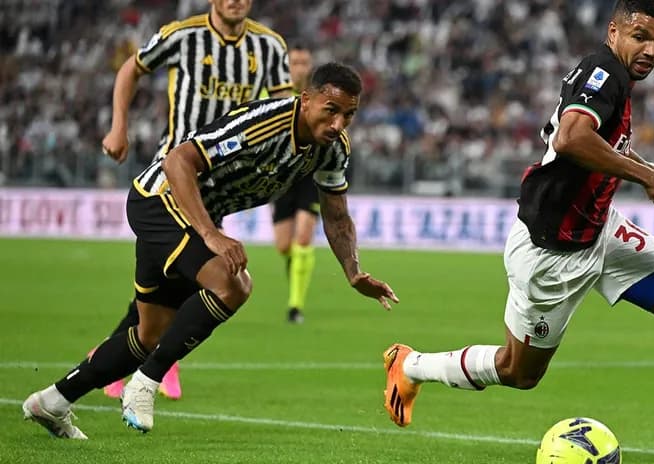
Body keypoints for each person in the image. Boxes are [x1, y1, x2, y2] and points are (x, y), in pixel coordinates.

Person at [380, 2, 654, 463]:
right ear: (613, 31)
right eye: (640, 36)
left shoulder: (617, 78)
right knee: (519, 371)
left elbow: (592, 140)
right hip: (552, 250)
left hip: (599, 231)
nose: (651, 49)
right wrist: (645, 177)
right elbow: (571, 138)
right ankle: (410, 365)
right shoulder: (603, 71)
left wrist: (640, 165)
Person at [23, 63, 397, 438]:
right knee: (234, 284)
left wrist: (353, 271)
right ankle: (146, 383)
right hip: (160, 200)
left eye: (348, 115)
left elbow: (336, 214)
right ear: (306, 100)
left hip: (188, 217)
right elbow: (178, 161)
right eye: (330, 110)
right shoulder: (265, 123)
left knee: (149, 333)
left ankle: (52, 401)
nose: (338, 124)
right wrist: (210, 233)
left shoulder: (332, 151)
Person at [98, 0, 293, 400]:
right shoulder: (182, 35)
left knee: (167, 281)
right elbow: (131, 68)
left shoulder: (270, 47)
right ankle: (150, 361)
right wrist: (119, 126)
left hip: (220, 187)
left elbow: (283, 111)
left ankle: (120, 357)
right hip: (174, 180)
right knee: (192, 275)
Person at [269, 43, 320, 324]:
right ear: (287, 66)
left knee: (303, 237)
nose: (300, 68)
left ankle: (295, 306)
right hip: (280, 177)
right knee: (283, 245)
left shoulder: (318, 96)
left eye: (304, 62)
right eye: (295, 63)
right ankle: (296, 274)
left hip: (310, 175)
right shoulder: (273, 96)